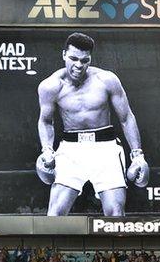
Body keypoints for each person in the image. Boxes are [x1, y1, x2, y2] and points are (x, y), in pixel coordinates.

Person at [36, 32, 149, 216]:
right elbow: (45, 121)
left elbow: (126, 117)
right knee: (54, 214)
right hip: (70, 150)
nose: (79, 65)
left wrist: (137, 155)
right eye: (73, 58)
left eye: (84, 60)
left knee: (115, 214)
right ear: (64, 54)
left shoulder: (107, 80)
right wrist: (47, 149)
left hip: (106, 149)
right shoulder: (50, 86)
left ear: (90, 59)